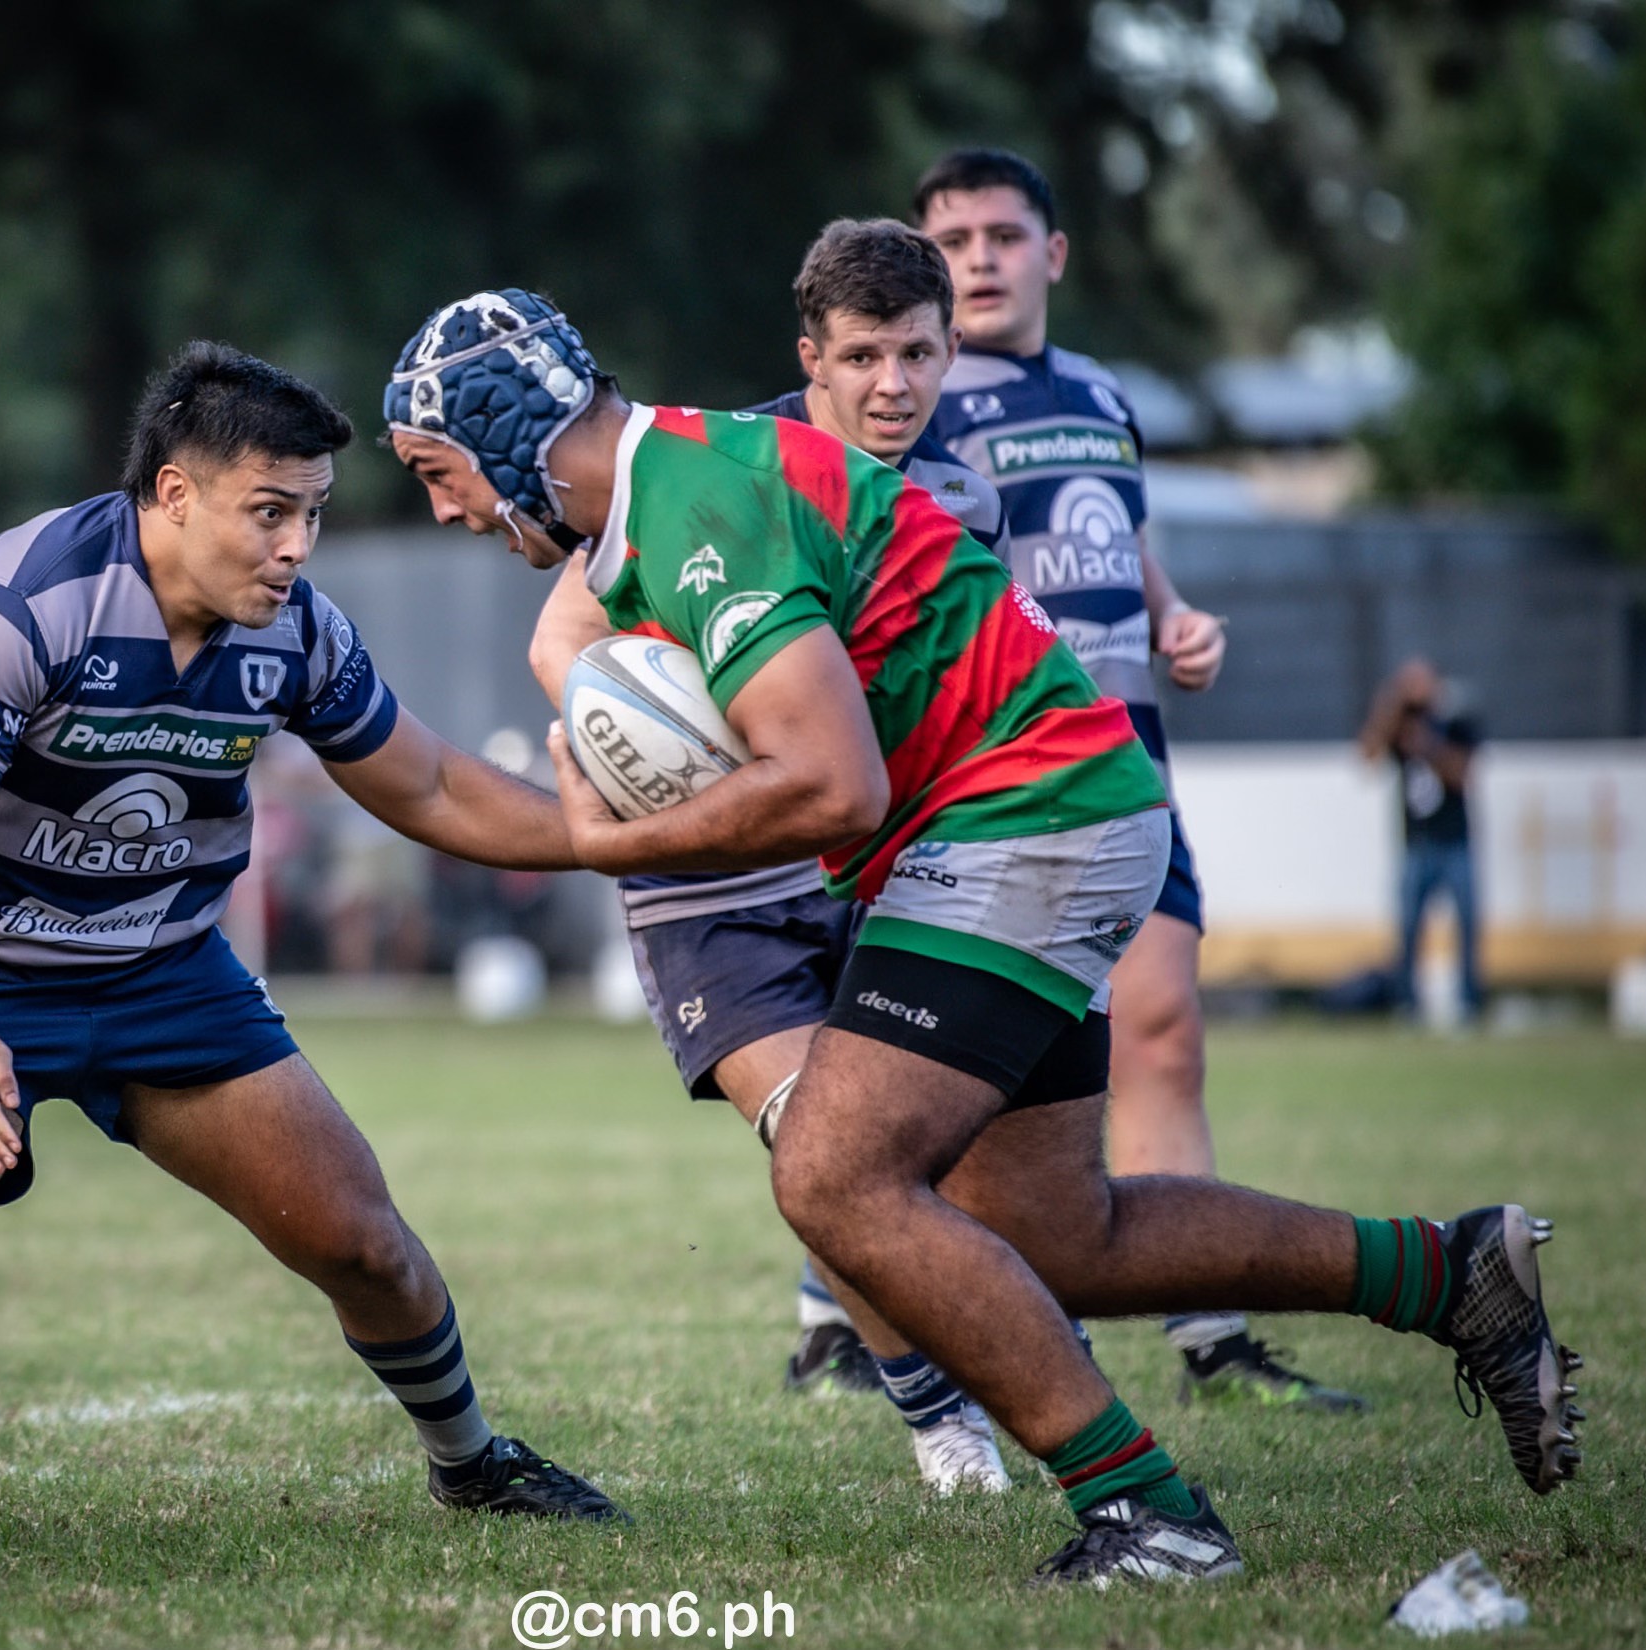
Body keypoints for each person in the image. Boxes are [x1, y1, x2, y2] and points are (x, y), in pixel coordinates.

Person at [385, 288, 1581, 1583]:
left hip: (1024, 819)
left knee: (831, 1175)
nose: (445, 511)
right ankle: (1450, 1275)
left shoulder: (698, 508)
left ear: (507, 431)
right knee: (1055, 1235)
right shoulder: (671, 485)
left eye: (440, 475)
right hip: (1049, 809)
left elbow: (833, 785)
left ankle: (1151, 1513)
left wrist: (619, 843)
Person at [0, 340, 623, 1550]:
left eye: (313, 514)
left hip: (159, 968)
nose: (297, 547)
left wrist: (630, 839)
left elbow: (432, 788)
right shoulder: (11, 607)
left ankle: (471, 1466)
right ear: (174, 494)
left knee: (362, 1241)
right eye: (270, 513)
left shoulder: (295, 631)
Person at [530, 219, 1013, 1493]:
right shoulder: (718, 464)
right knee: (819, 1147)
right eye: (860, 357)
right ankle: (941, 1423)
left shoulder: (965, 499)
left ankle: (939, 1343)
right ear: (810, 358)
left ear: (950, 352)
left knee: (911, 1161)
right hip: (712, 886)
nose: (891, 386)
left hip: (873, 863)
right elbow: (560, 638)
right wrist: (660, 735)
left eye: (917, 355)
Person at [911, 146, 1360, 1411]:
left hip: (1128, 767)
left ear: (1051, 253)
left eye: (1004, 235)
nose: (981, 260)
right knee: (966, 1071)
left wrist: (1174, 621)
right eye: (953, 241)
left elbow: (1124, 534)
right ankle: (870, 1316)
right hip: (990, 778)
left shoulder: (1101, 393)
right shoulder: (911, 396)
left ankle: (1211, 1339)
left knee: (1161, 1034)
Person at [1358, 657, 1483, 1022]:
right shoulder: (1401, 723)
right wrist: (1388, 706)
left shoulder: (1455, 721)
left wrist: (1429, 746)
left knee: (1466, 923)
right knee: (1409, 927)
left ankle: (1468, 1002)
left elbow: (1464, 774)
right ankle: (1407, 1002)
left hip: (1455, 841)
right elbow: (1367, 756)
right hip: (1415, 844)